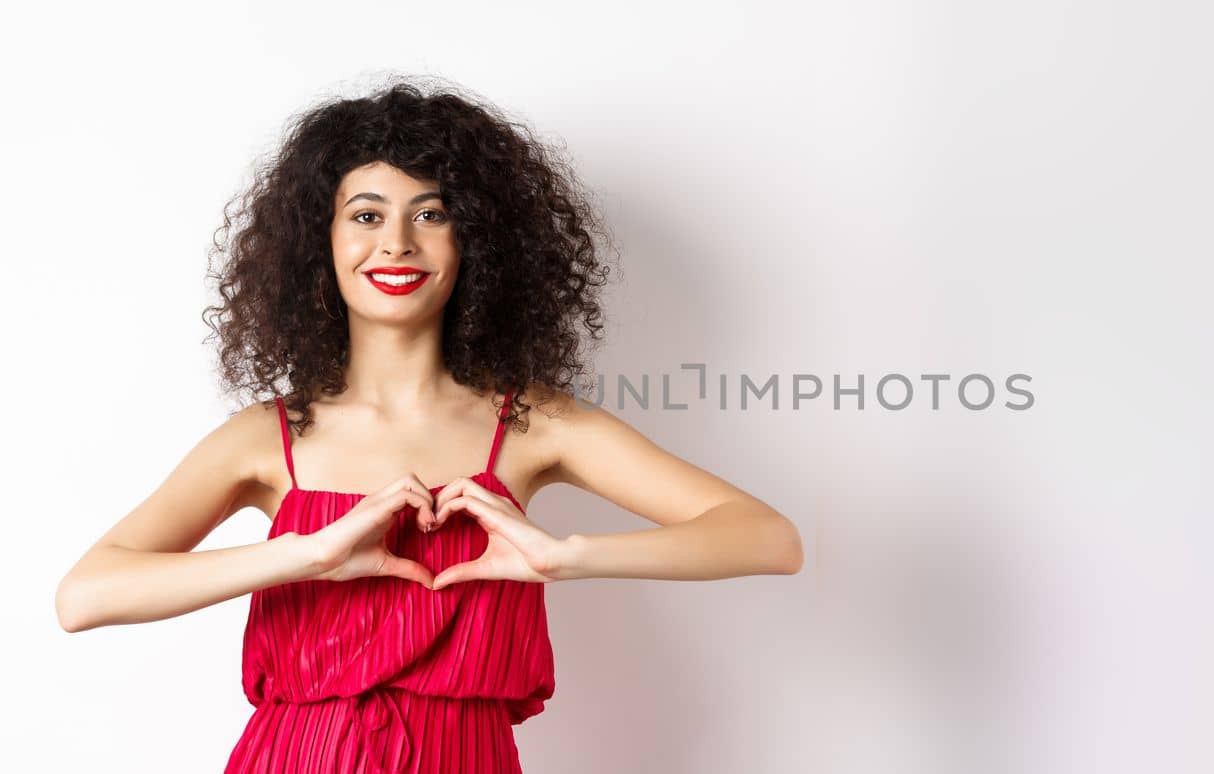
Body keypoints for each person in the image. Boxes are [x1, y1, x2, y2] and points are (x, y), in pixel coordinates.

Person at [54, 76, 804, 773]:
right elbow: (86, 595)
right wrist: (303, 556)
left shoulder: (538, 424)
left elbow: (769, 538)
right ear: (322, 244)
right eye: (367, 215)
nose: (398, 243)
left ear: (474, 240)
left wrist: (566, 556)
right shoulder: (267, 437)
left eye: (432, 213)